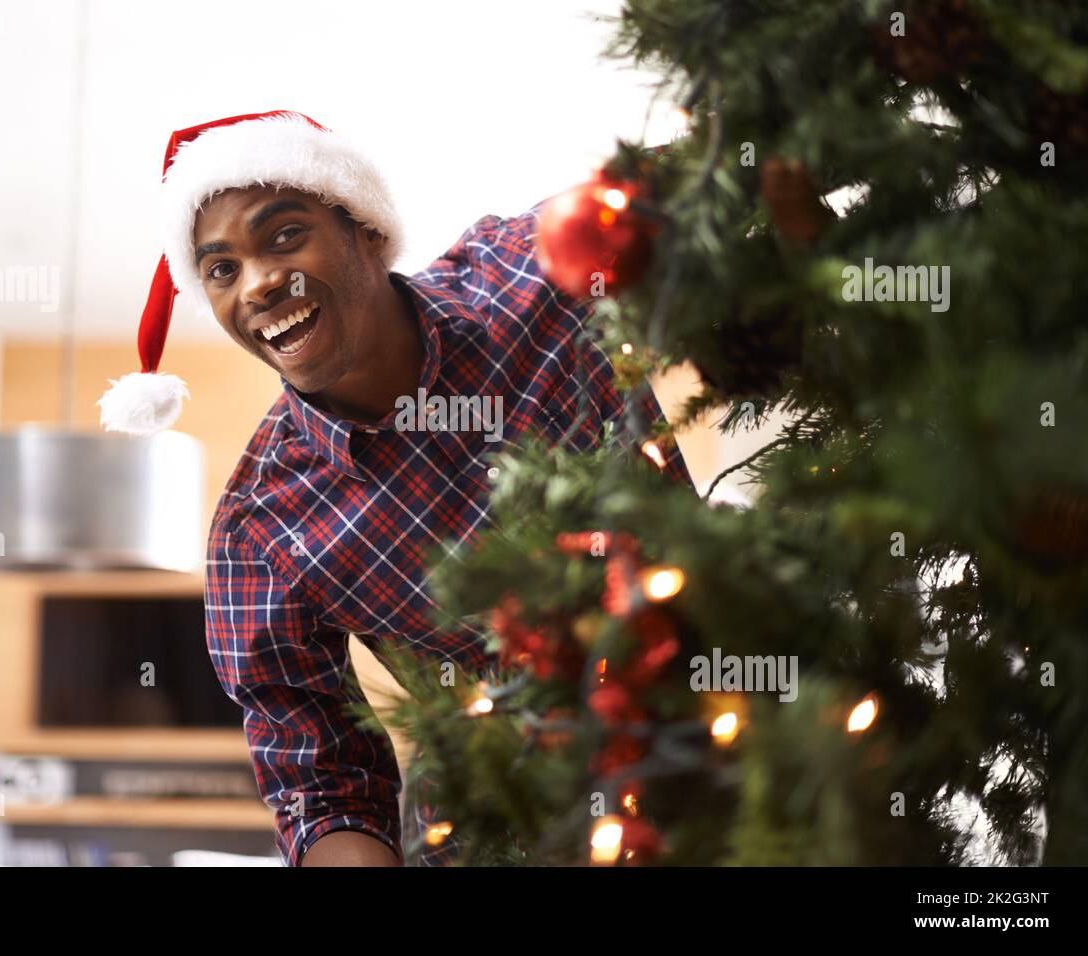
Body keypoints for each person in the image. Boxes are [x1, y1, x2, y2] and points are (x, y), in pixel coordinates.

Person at [99, 110, 693, 866]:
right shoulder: (261, 531)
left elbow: (710, 184)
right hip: (513, 832)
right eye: (220, 269)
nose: (257, 284)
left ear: (366, 232)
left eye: (284, 235)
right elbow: (325, 786)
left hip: (738, 724)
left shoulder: (527, 271)